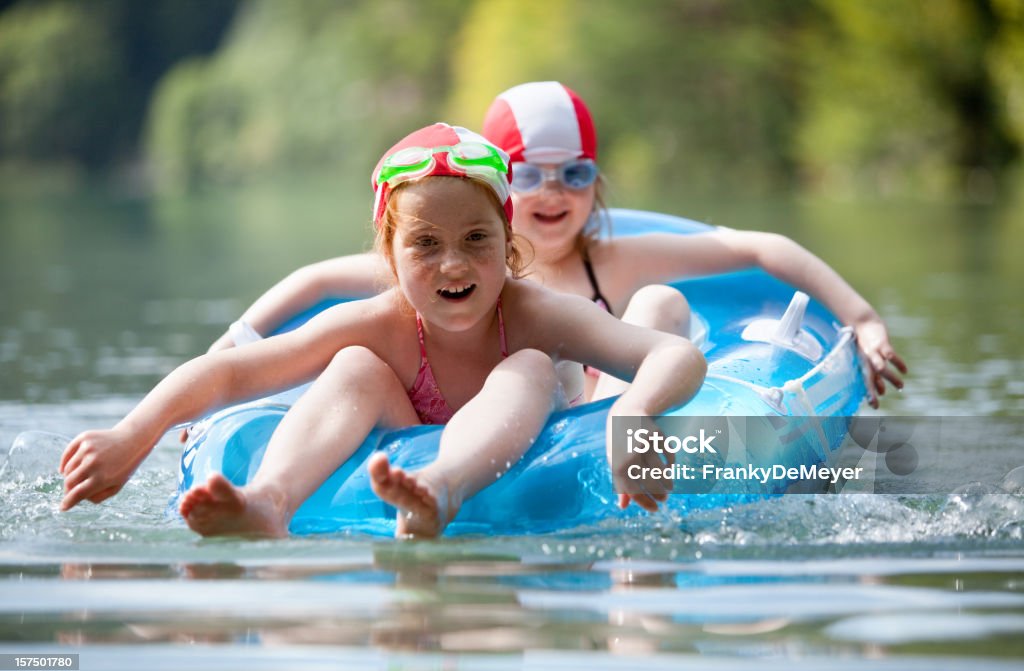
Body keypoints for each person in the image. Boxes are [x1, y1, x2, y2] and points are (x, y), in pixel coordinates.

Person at [59, 123, 707, 538]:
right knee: (353, 366)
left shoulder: (531, 312)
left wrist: (637, 411)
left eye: (477, 239)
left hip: (534, 439)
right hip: (403, 436)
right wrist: (130, 433)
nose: (454, 263)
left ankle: (442, 487)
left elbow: (673, 353)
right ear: (389, 259)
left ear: (510, 245)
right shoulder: (383, 320)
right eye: (426, 244)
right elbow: (234, 371)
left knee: (531, 366)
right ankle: (270, 501)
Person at [203, 82, 905, 408]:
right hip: (501, 409)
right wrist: (227, 350)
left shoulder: (618, 257)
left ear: (593, 184)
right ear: (496, 192)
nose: (553, 194)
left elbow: (760, 248)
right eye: (530, 176)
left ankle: (633, 430)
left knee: (659, 303)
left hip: (603, 410)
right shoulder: (458, 261)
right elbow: (314, 283)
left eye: (575, 175)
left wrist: (863, 319)